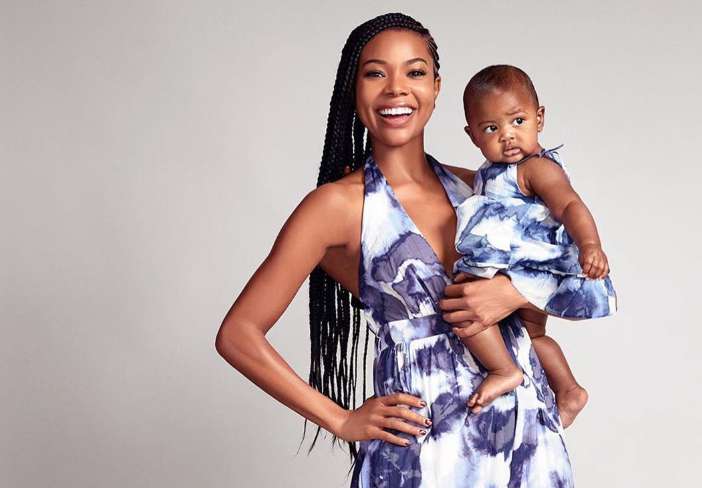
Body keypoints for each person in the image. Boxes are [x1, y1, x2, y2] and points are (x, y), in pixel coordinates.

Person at [215, 12, 574, 487]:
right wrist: (341, 419)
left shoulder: (478, 189)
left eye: (415, 72)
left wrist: (511, 294)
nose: (396, 89)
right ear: (354, 88)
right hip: (424, 454)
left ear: (436, 87)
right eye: (375, 73)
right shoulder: (337, 206)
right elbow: (238, 334)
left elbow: (562, 282)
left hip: (524, 439)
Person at [448, 65, 618, 428]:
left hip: (526, 267)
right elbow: (465, 178)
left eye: (518, 121)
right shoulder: (493, 170)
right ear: (472, 135)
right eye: (491, 129)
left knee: (463, 301)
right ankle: (569, 389)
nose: (507, 136)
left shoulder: (537, 168)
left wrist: (590, 244)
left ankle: (504, 370)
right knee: (532, 336)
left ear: (539, 118)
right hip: (514, 267)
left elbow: (569, 205)